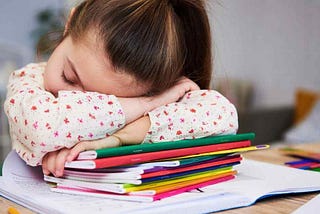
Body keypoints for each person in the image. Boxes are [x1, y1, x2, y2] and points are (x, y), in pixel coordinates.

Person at [4, 0, 238, 177]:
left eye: (104, 98)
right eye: (68, 76)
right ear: (69, 25)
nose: (73, 100)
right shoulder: (29, 79)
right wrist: (145, 106)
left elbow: (222, 115)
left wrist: (116, 139)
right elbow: (43, 128)